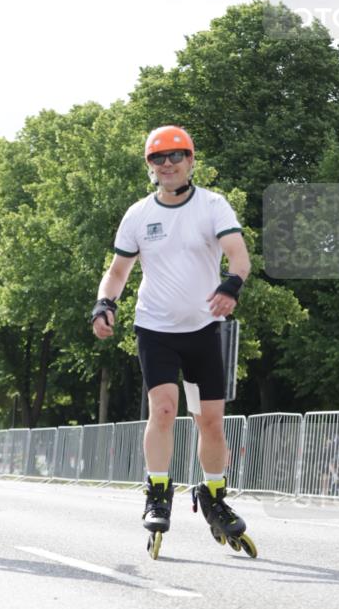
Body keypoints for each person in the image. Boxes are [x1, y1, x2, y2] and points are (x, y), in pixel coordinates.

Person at [92, 126, 254, 559]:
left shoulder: (212, 205)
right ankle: (158, 492)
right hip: (156, 329)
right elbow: (118, 271)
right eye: (158, 158)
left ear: (191, 160)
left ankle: (213, 496)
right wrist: (104, 303)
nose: (167, 164)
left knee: (210, 422)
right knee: (163, 409)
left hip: (203, 330)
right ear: (150, 166)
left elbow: (238, 255)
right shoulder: (138, 214)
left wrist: (231, 285)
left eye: (176, 156)